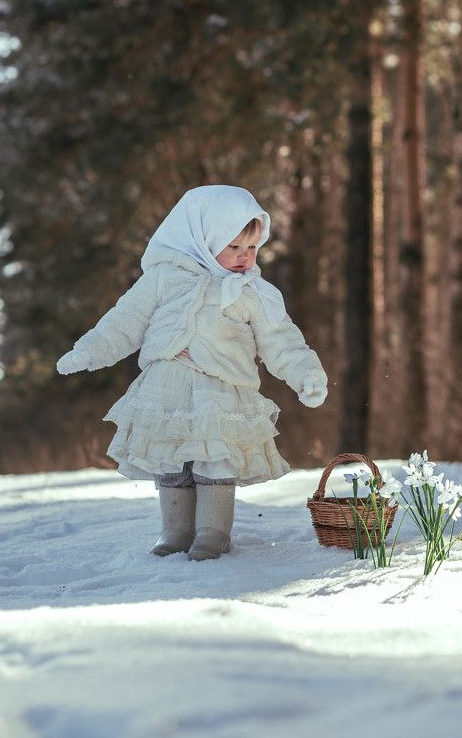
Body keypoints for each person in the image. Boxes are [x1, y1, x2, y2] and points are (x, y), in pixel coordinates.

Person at [56, 184, 328, 561]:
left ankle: (212, 532)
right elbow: (125, 322)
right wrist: (89, 350)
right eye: (234, 247)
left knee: (215, 458)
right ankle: (175, 530)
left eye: (251, 249)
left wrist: (306, 375)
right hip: (167, 386)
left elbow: (282, 341)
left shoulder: (251, 292)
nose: (244, 258)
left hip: (221, 390)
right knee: (170, 458)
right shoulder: (164, 278)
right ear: (202, 238)